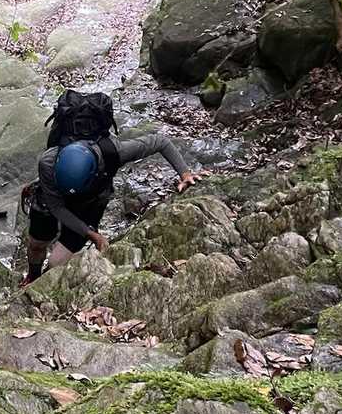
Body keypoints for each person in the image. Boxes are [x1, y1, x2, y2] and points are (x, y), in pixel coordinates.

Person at [23, 90, 207, 285]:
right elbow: (57, 207)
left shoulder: (114, 152)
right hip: (51, 197)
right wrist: (93, 235)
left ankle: (43, 281)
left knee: (55, 264)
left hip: (90, 203)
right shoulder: (48, 161)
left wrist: (185, 174)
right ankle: (32, 276)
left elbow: (160, 142)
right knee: (36, 244)